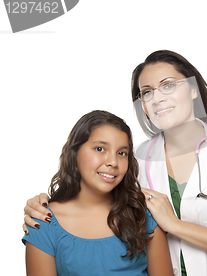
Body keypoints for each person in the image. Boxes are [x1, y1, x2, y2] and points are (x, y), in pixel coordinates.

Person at [24, 50, 207, 276]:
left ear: (193, 89)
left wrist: (175, 225)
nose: (157, 98)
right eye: (147, 92)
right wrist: (42, 203)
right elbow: (89, 199)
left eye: (168, 85)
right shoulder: (133, 162)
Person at [22, 110, 173, 276]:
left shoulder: (144, 215)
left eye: (122, 153)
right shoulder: (44, 222)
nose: (113, 162)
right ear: (75, 153)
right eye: (100, 149)